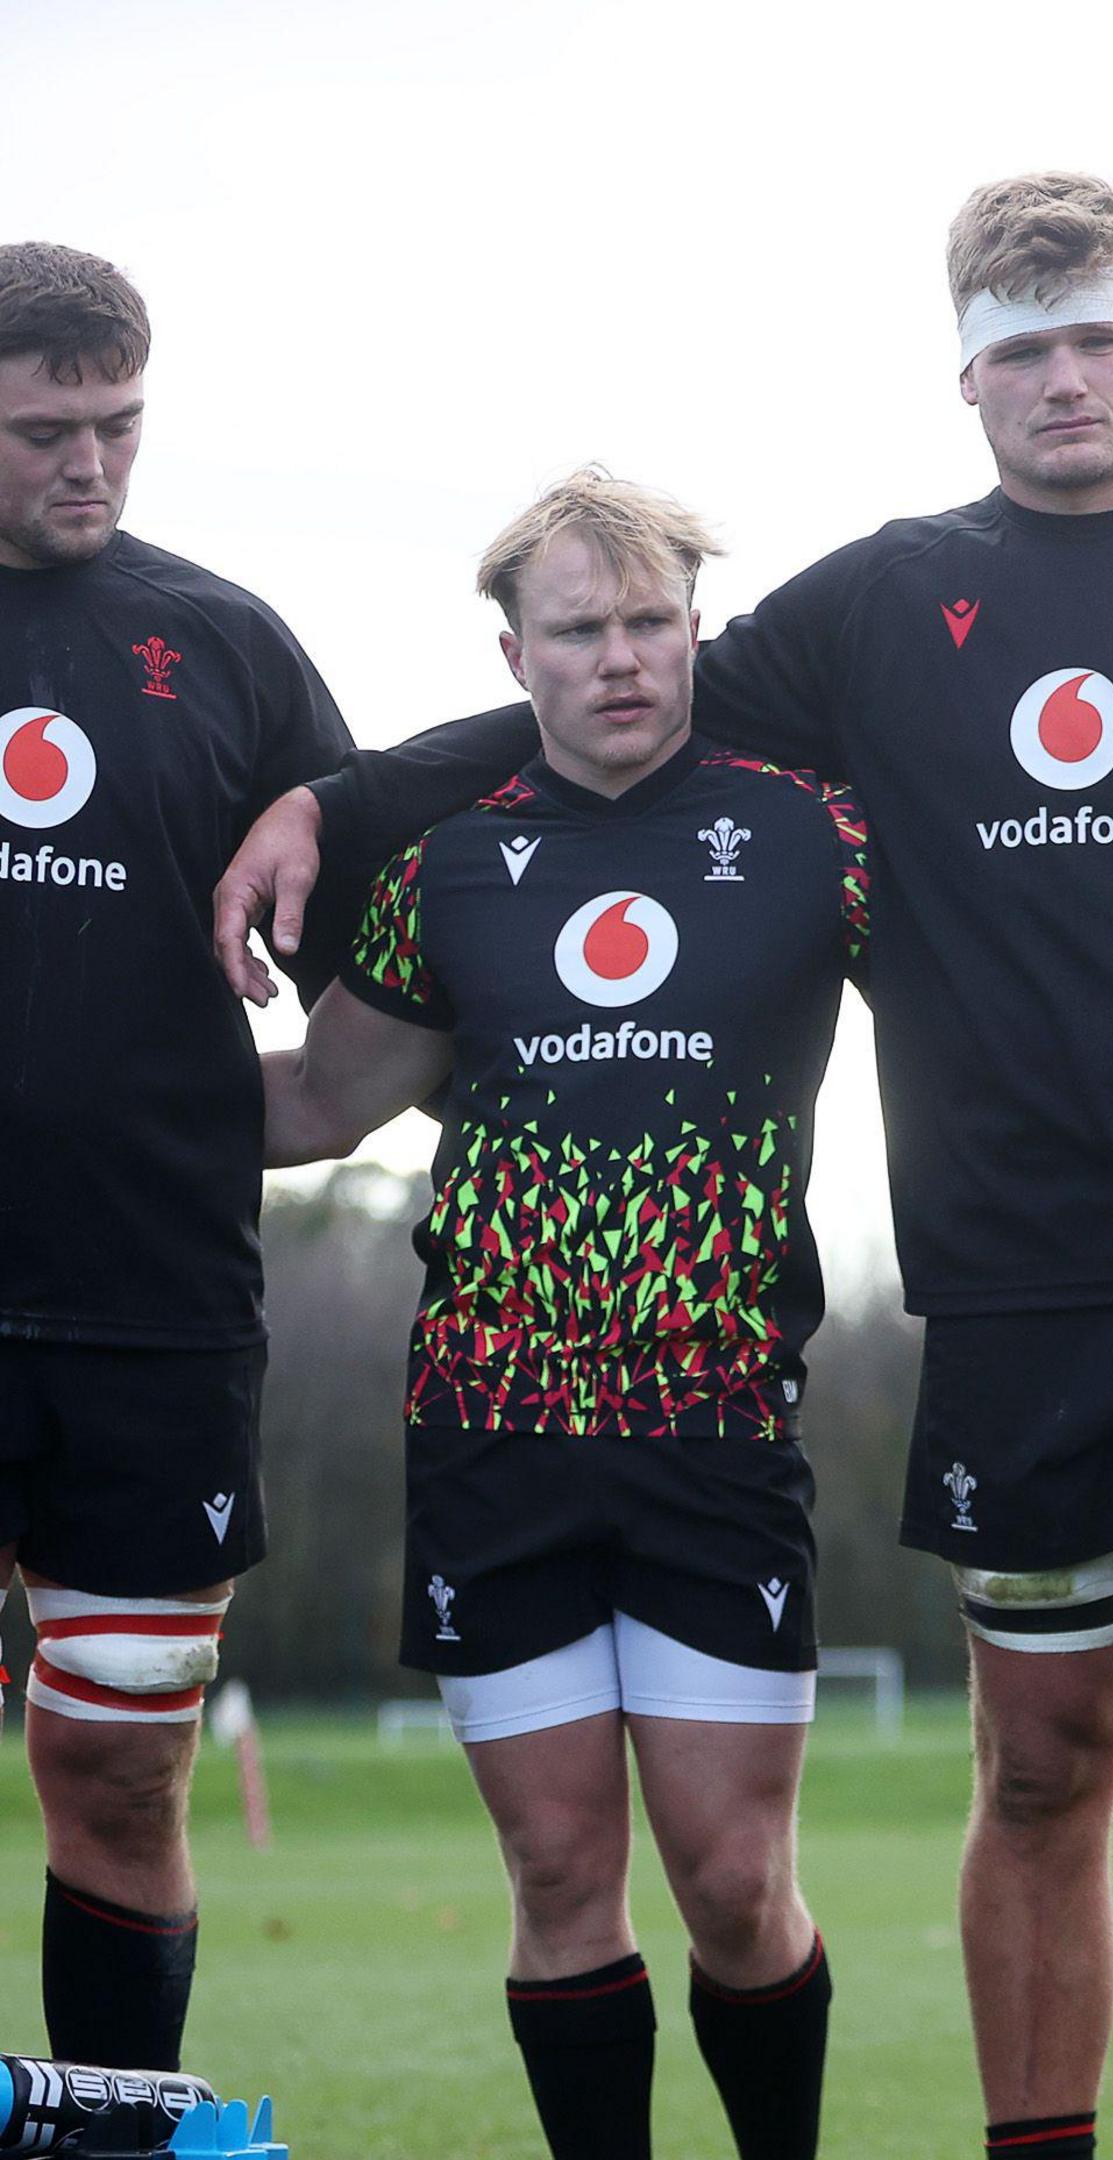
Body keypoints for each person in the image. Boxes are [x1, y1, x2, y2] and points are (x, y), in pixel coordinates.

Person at [209, 175, 1113, 2160]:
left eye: (1096, 338)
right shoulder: (879, 608)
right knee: (1039, 1764)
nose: (1064, 380)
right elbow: (599, 717)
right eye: (1023, 350)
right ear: (966, 375)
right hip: (1016, 1284)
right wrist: (331, 806)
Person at [259, 472, 855, 2160]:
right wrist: (79, 1088)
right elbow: (319, 1104)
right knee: (558, 1871)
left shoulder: (815, 834)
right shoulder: (448, 866)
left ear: (697, 633)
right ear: (514, 654)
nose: (621, 659)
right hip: (489, 1425)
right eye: (581, 630)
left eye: (652, 622)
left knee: (734, 1882)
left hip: (715, 1422)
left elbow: (998, 1002)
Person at [0, 241, 354, 2071]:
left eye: (119, 425)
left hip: (152, 1308)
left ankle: (117, 2122)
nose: (91, 464)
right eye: (43, 431)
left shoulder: (224, 643)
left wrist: (327, 803)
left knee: (122, 1763)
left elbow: (393, 921)